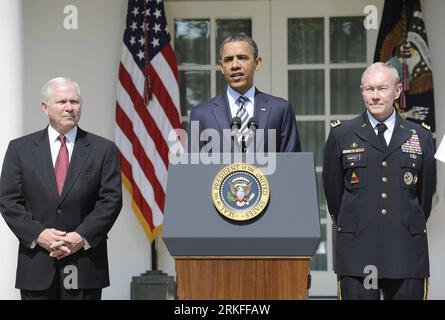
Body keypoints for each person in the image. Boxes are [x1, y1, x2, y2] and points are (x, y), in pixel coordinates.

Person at [0, 77, 122, 300]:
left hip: (84, 264)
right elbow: (9, 201)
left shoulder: (103, 149)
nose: (69, 107)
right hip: (37, 264)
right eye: (62, 101)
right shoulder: (20, 149)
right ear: (45, 107)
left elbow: (111, 201)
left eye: (74, 101)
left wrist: (80, 236)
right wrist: (39, 234)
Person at [322, 62, 436, 300]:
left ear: (397, 91)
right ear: (362, 91)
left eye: (382, 88)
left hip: (405, 249)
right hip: (357, 250)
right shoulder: (341, 135)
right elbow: (334, 195)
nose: (374, 96)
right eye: (369, 89)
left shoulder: (421, 136)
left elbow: (424, 197)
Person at [188, 33, 301, 153]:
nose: (235, 65)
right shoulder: (201, 114)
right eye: (228, 59)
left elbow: (292, 166)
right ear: (221, 67)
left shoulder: (280, 110)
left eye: (242, 57)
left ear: (257, 63)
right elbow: (194, 168)